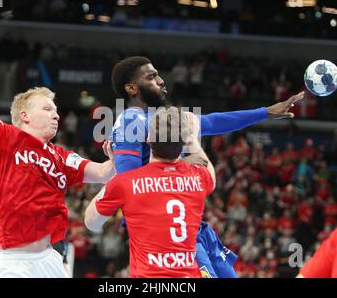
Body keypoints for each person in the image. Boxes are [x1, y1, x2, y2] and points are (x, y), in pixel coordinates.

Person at [0, 0, 115, 278]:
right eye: (47, 108)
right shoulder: (2, 136)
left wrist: (119, 157)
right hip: (10, 261)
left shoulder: (61, 157)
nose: (56, 115)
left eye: (56, 109)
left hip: (49, 260)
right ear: (25, 116)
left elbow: (103, 173)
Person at [106, 56, 304, 277]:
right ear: (131, 88)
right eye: (152, 77)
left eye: (158, 74)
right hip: (167, 238)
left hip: (191, 228)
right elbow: (129, 185)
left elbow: (213, 122)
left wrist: (266, 112)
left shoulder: (162, 118)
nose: (161, 80)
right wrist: (179, 166)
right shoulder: (130, 121)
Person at [85, 107, 216, 277]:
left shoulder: (126, 182)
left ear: (148, 138)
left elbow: (91, 223)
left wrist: (116, 173)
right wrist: (193, 141)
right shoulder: (199, 177)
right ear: (184, 143)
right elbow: (209, 171)